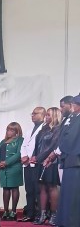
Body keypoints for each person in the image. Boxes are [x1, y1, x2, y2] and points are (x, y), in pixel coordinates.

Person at [45, 94, 80, 227]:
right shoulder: (73, 117)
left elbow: (69, 139)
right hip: (69, 161)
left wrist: (56, 151)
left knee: (73, 197)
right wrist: (55, 153)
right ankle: (66, 221)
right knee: (68, 196)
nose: (73, 107)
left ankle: (71, 222)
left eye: (74, 104)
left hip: (75, 161)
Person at [30, 107, 61, 225]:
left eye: (48, 115)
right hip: (40, 161)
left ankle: (53, 215)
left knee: (52, 187)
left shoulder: (58, 129)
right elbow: (37, 145)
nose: (46, 117)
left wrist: (38, 158)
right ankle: (42, 214)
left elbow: (52, 146)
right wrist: (34, 156)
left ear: (54, 116)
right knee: (42, 188)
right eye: (46, 115)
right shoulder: (43, 129)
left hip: (50, 162)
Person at [20, 107, 46, 222]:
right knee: (29, 190)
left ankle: (39, 214)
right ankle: (30, 214)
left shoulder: (45, 129)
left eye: (35, 114)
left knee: (38, 190)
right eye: (32, 113)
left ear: (43, 114)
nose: (32, 115)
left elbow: (43, 147)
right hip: (27, 164)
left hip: (37, 163)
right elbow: (24, 145)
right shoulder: (29, 130)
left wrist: (32, 158)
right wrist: (23, 157)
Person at [0, 122, 24, 221]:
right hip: (3, 169)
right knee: (5, 189)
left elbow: (18, 154)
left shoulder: (20, 140)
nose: (9, 132)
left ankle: (14, 211)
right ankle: (6, 211)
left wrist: (6, 162)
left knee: (14, 188)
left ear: (17, 131)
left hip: (14, 167)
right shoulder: (3, 141)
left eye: (12, 130)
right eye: (8, 129)